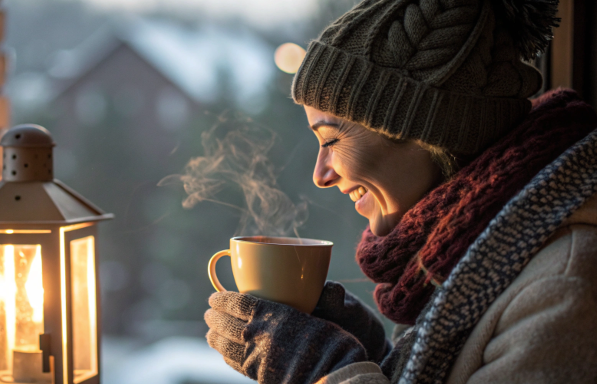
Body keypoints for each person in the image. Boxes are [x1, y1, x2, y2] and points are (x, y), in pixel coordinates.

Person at [204, 0, 597, 382]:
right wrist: (378, 358)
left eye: (330, 140)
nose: (320, 175)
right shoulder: (473, 261)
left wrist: (327, 372)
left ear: (426, 131)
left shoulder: (561, 288)